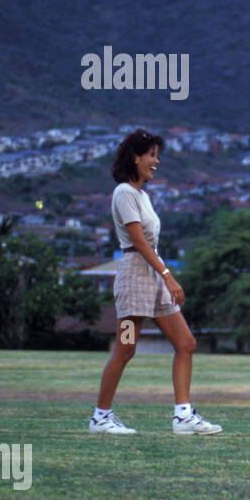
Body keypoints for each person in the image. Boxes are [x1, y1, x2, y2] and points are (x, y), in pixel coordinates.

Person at [91, 129, 221, 435]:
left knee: (186, 343)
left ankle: (183, 416)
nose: (156, 162)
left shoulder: (142, 195)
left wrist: (162, 276)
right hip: (136, 276)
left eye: (157, 156)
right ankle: (101, 417)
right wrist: (168, 276)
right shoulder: (123, 192)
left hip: (153, 274)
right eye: (151, 155)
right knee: (125, 349)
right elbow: (137, 241)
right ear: (135, 158)